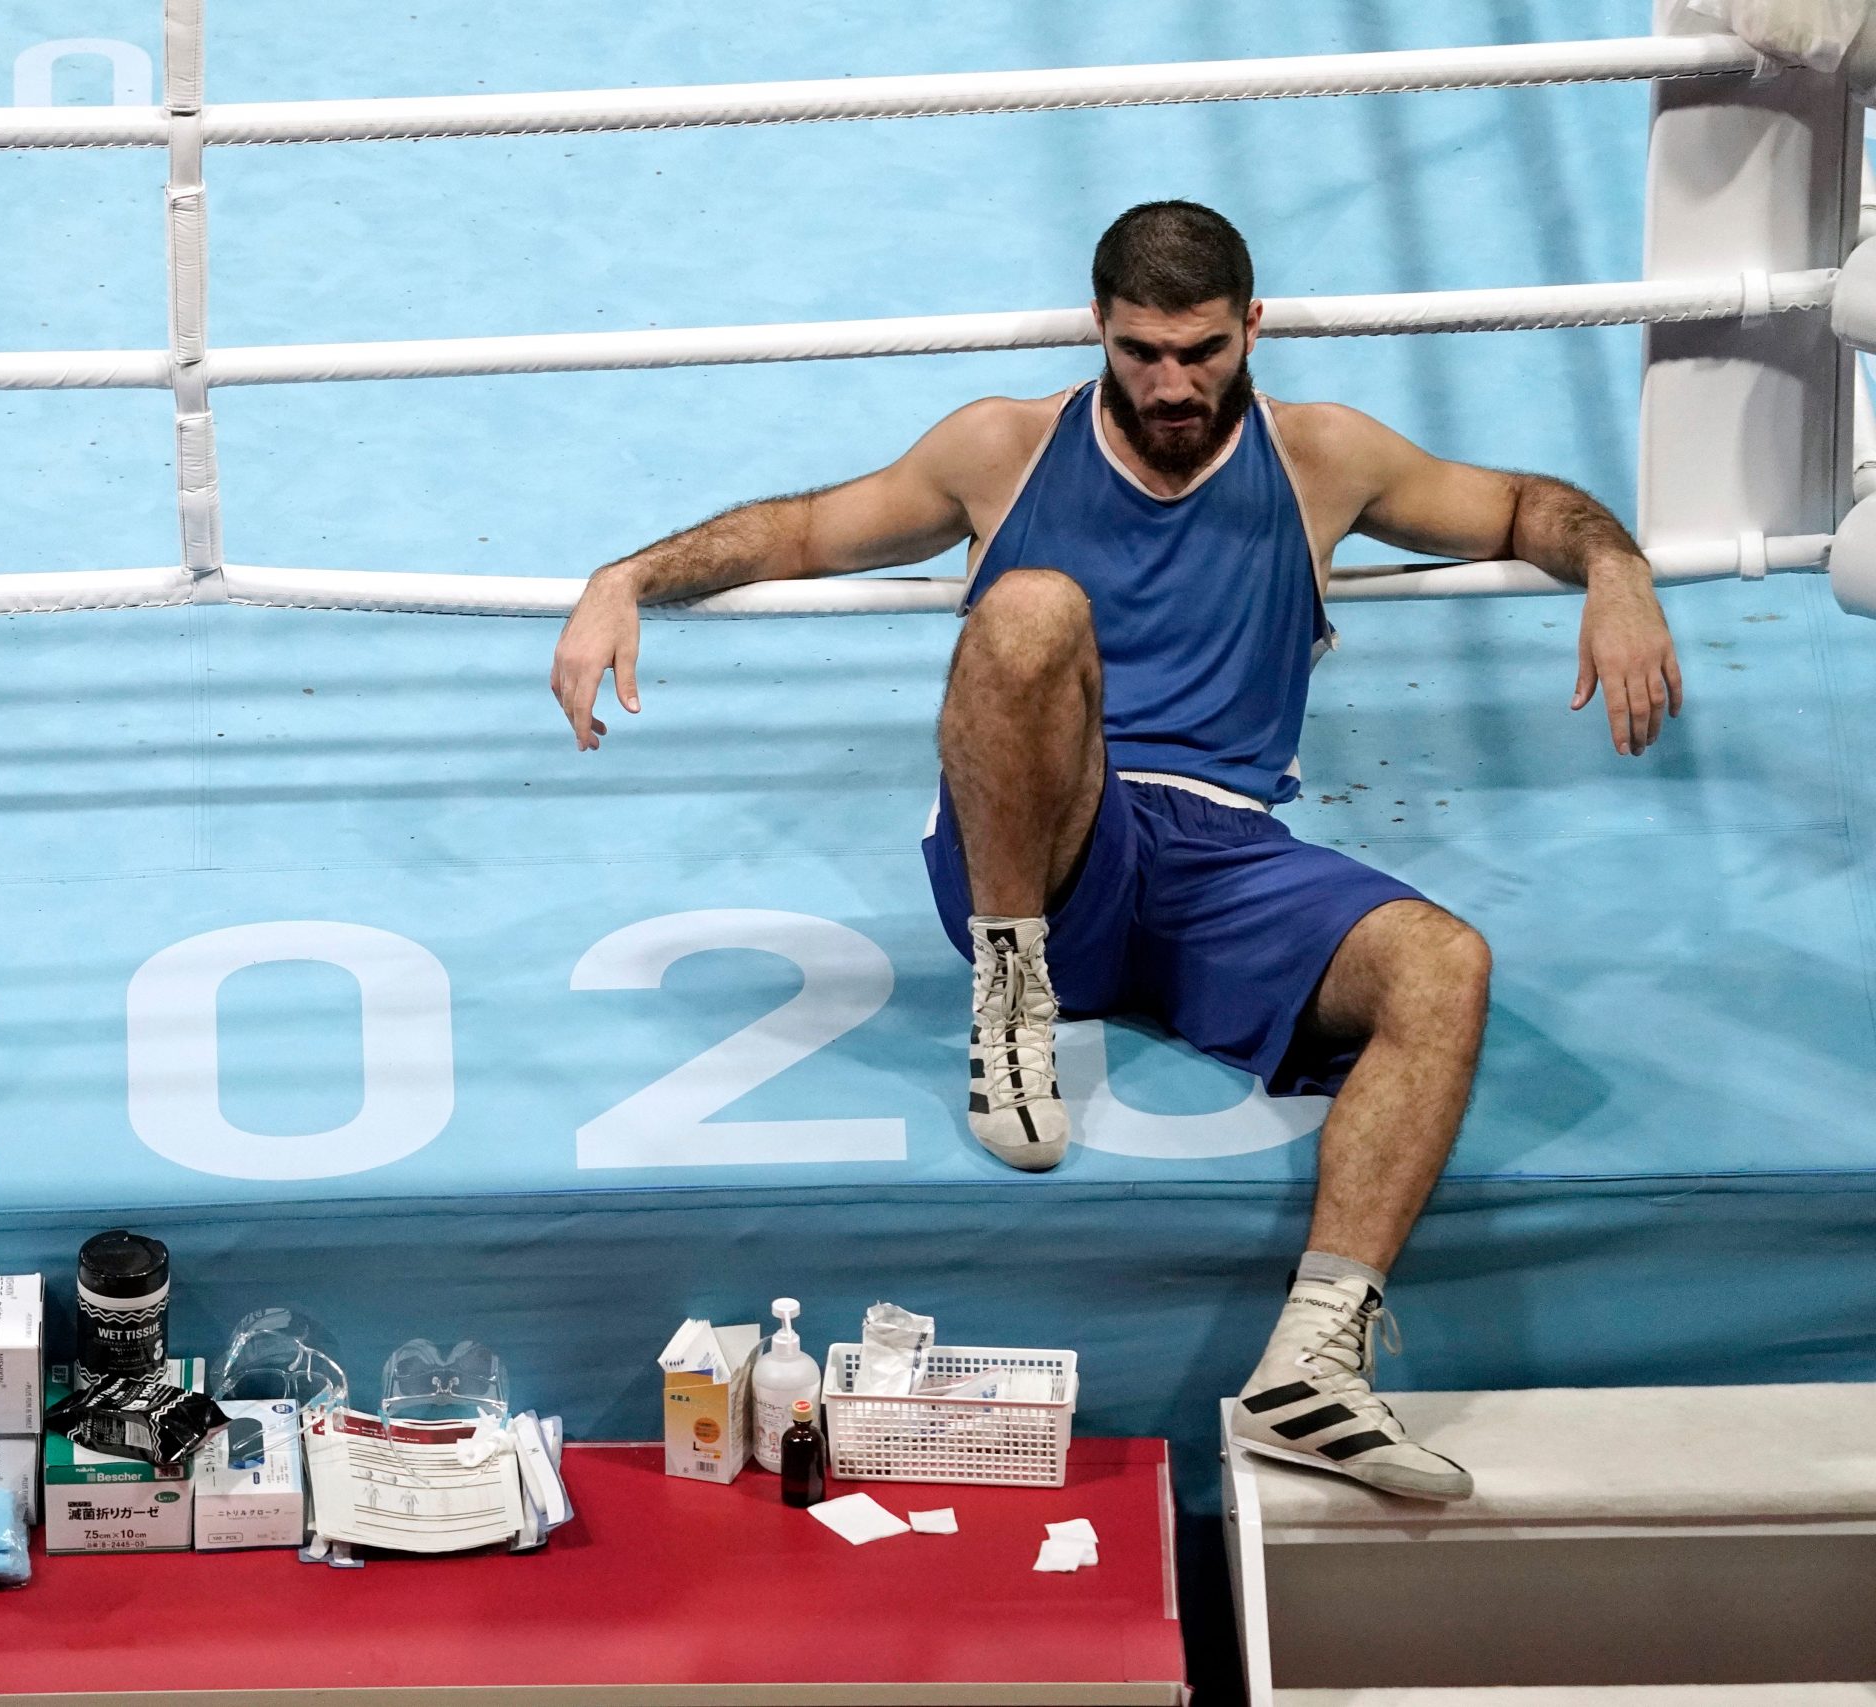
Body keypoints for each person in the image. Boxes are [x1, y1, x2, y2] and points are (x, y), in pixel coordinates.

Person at [546, 201, 1681, 1501]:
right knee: (1031, 605)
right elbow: (802, 530)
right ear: (1101, 328)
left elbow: (1525, 506)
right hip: (1045, 837)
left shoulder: (1322, 459)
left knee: (1443, 964)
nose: (1171, 382)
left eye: (1199, 350)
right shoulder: (1005, 449)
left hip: (1231, 861)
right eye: (1143, 351)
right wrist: (621, 579)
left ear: (1250, 330)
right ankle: (1012, 995)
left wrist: (1618, 571)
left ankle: (1311, 1367)